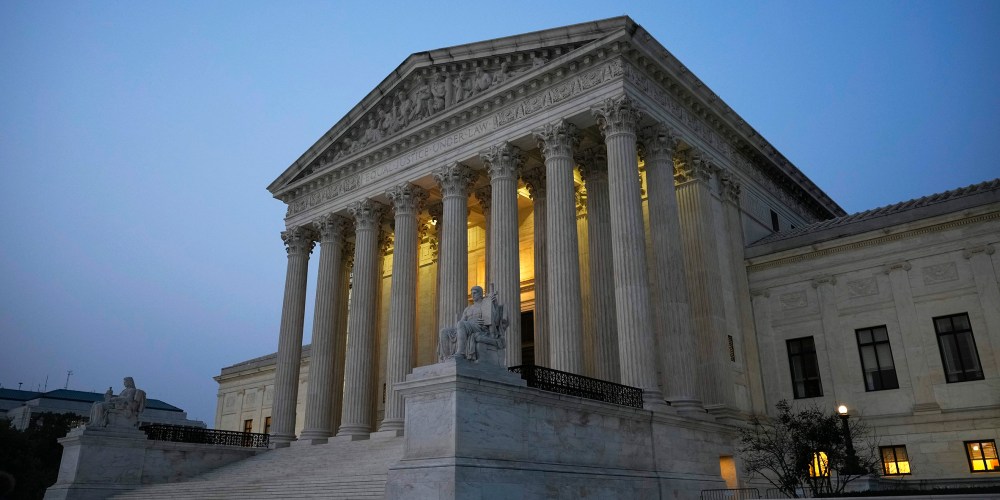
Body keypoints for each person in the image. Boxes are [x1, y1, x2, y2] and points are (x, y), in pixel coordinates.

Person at [438, 285, 507, 362]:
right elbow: (461, 322)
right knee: (444, 331)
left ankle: (461, 352)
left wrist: (494, 304)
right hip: (467, 326)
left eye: (475, 293)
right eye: (472, 293)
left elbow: (495, 320)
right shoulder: (468, 309)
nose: (472, 295)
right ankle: (447, 358)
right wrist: (467, 323)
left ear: (480, 294)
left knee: (461, 324)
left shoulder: (485, 304)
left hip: (480, 327)